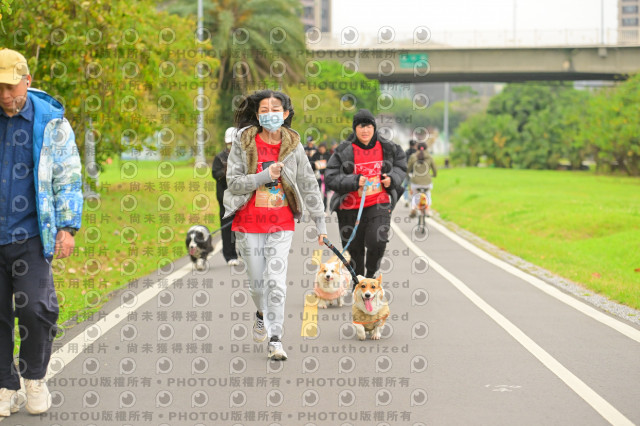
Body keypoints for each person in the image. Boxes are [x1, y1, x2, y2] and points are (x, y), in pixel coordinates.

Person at [0, 49, 82, 417]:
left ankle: (34, 377)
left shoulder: (51, 123)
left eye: (11, 87)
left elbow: (68, 178)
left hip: (32, 234)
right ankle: (5, 385)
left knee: (35, 308)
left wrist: (67, 227)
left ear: (27, 81)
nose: (5, 95)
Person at [223, 90, 327, 361]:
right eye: (264, 110)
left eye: (276, 109)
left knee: (276, 282)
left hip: (281, 223)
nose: (270, 114)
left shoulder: (294, 145)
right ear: (257, 116)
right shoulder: (244, 143)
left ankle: (275, 339)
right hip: (248, 223)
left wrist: (321, 222)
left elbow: (308, 183)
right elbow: (233, 183)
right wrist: (263, 176)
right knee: (258, 286)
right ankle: (261, 313)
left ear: (286, 113)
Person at [325, 109, 406, 278]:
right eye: (361, 126)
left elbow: (400, 165)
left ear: (374, 128)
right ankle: (358, 281)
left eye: (369, 126)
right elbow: (331, 177)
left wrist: (392, 179)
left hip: (378, 202)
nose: (365, 130)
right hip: (349, 207)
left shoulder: (388, 147)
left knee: (377, 240)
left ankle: (370, 275)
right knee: (354, 251)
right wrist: (354, 181)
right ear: (355, 128)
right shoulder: (344, 150)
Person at [211, 127, 240, 266]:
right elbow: (215, 174)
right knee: (227, 227)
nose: (231, 147)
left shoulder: (244, 157)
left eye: (234, 144)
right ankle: (230, 255)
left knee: (245, 226)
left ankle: (246, 253)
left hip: (242, 198)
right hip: (225, 198)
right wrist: (225, 171)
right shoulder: (220, 157)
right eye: (229, 144)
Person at [407, 141, 437, 217]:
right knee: (428, 194)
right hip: (427, 182)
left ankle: (413, 209)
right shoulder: (429, 157)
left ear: (417, 148)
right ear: (426, 148)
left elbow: (408, 168)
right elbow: (434, 169)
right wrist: (434, 175)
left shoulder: (413, 156)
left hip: (415, 182)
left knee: (414, 194)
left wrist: (406, 174)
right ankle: (427, 210)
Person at [309, 142, 331, 210]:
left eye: (322, 149)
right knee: (317, 191)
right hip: (317, 176)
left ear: (325, 149)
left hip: (325, 176)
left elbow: (331, 164)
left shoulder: (328, 155)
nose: (321, 150)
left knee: (325, 192)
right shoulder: (315, 155)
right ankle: (317, 207)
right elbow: (311, 164)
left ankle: (325, 207)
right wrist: (315, 165)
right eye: (320, 149)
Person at [402, 139, 417, 206]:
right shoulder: (417, 153)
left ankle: (406, 199)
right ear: (415, 145)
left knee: (405, 185)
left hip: (406, 171)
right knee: (412, 186)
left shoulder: (406, 152)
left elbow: (403, 162)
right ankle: (411, 200)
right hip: (414, 172)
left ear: (409, 145)